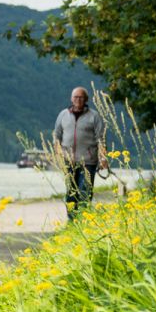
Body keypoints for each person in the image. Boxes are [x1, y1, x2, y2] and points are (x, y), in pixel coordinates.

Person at [53, 86, 107, 219]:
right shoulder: (63, 115)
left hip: (88, 161)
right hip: (68, 161)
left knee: (85, 192)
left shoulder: (94, 116)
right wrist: (59, 155)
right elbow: (57, 137)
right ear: (71, 99)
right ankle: (72, 222)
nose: (78, 99)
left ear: (86, 99)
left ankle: (83, 220)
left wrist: (103, 158)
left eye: (81, 97)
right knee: (71, 193)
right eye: (75, 97)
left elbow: (101, 138)